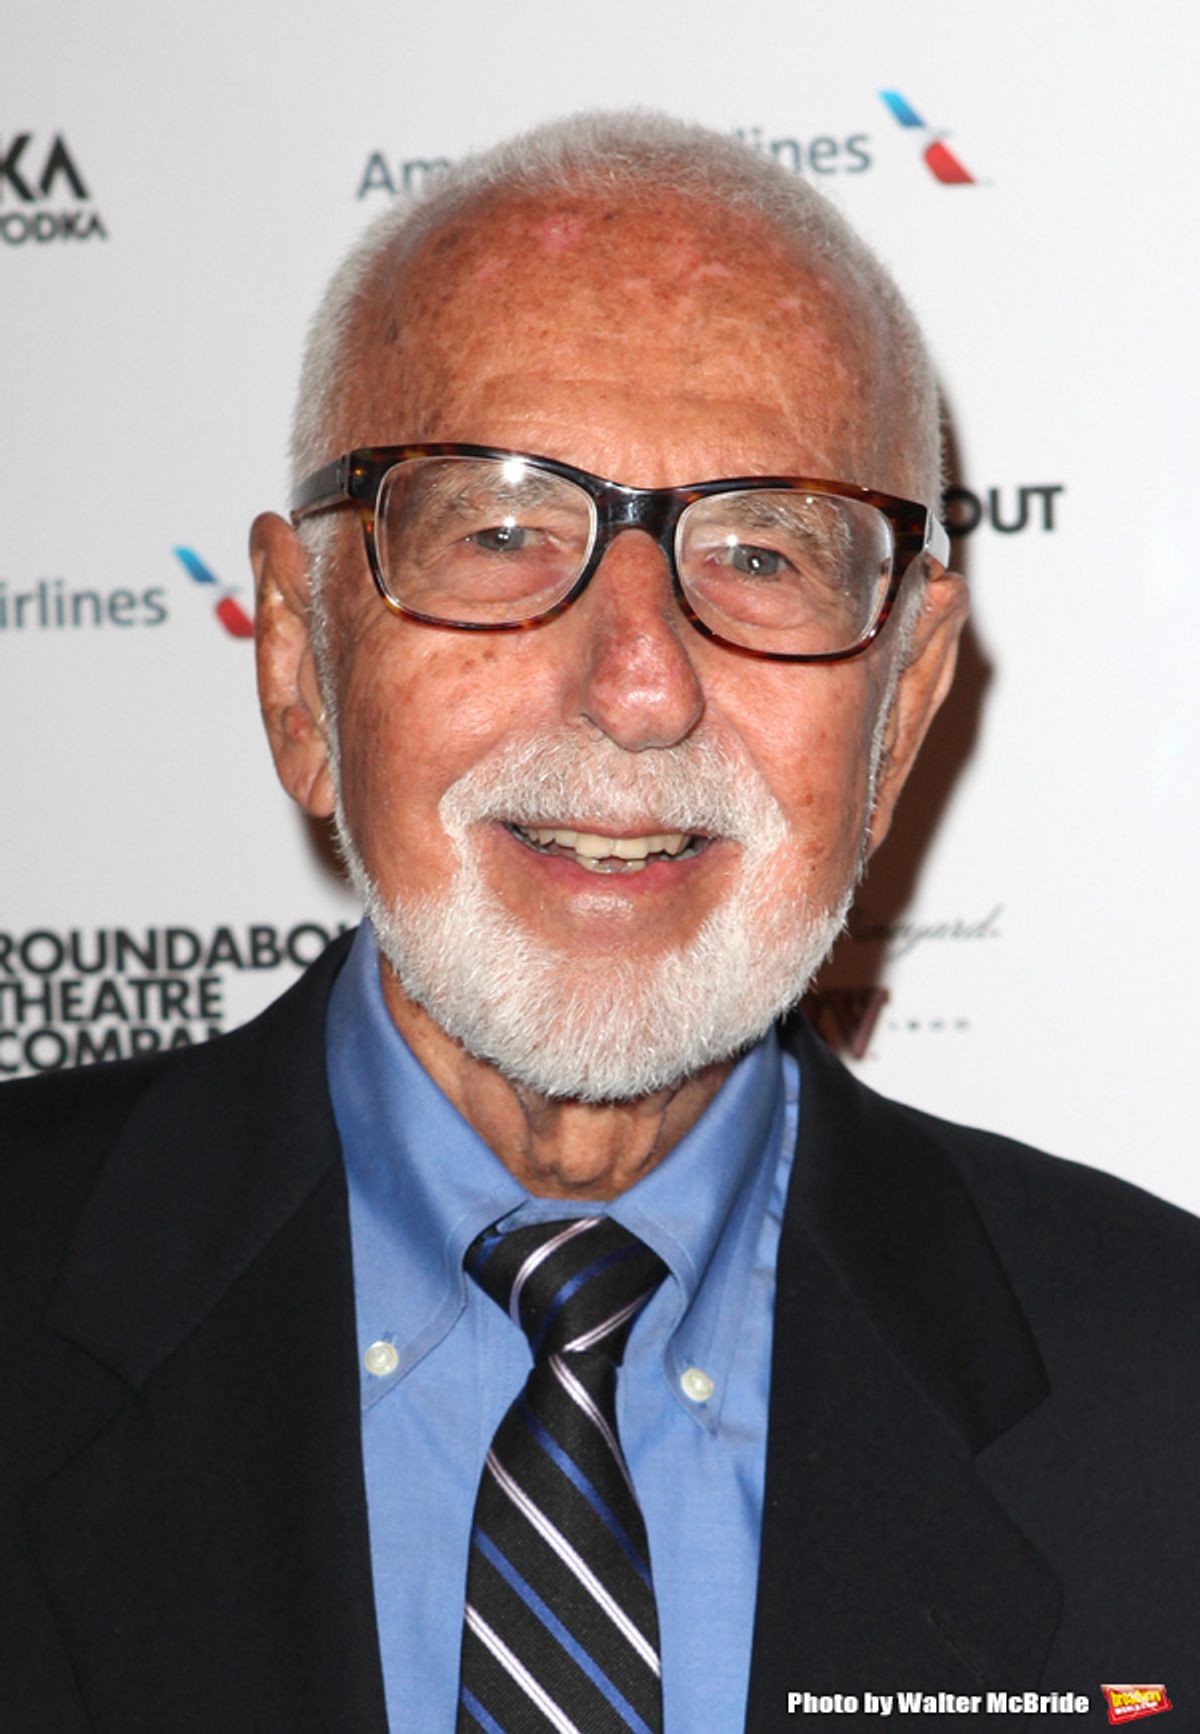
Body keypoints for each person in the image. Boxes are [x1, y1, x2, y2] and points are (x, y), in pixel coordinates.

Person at [2, 111, 1197, 1734]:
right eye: (502, 531)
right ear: (296, 660)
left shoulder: (1165, 1400)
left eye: (764, 548)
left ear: (901, 711)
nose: (638, 686)